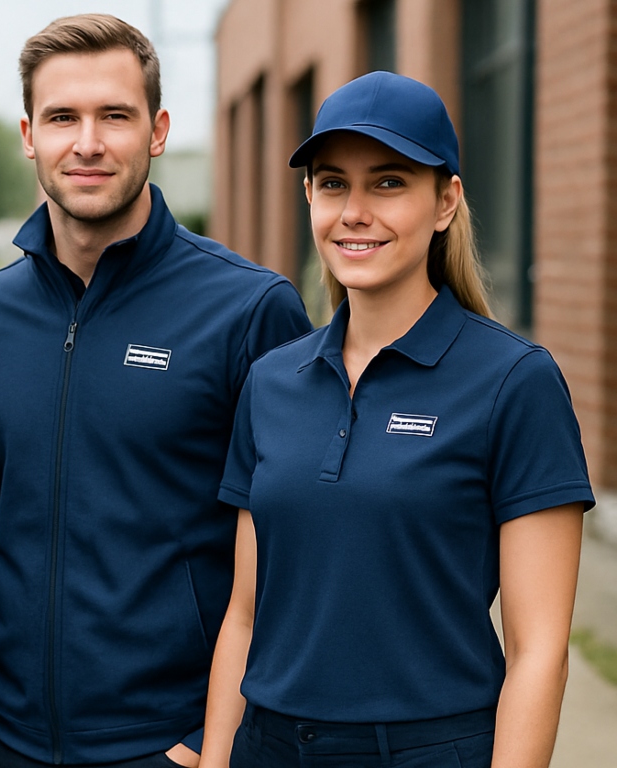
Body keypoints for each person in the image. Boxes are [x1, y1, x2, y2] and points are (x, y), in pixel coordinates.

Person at [0, 13, 313, 768]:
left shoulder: (249, 310)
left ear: (158, 130)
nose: (87, 142)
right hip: (3, 743)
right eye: (61, 117)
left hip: (168, 744)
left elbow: (294, 550)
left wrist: (210, 739)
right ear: (27, 134)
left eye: (115, 115)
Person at [199, 72, 592, 768]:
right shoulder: (269, 382)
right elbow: (244, 615)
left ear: (445, 201)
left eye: (387, 182)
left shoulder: (514, 381)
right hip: (269, 745)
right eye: (332, 184)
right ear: (309, 198)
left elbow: (539, 653)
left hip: (430, 750)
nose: (354, 211)